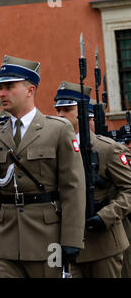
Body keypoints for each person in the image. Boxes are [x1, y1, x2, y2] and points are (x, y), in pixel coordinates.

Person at [0, 56, 86, 278]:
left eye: (9, 87)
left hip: (48, 238)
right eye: (1, 88)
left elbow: (73, 188)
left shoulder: (57, 130)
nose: (1, 93)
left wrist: (71, 239)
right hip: (6, 240)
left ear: (30, 90)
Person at [54, 81, 131, 278]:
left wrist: (105, 216)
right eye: (58, 110)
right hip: (67, 245)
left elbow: (129, 190)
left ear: (81, 112)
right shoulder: (53, 149)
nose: (60, 115)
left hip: (102, 244)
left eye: (66, 109)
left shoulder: (108, 149)